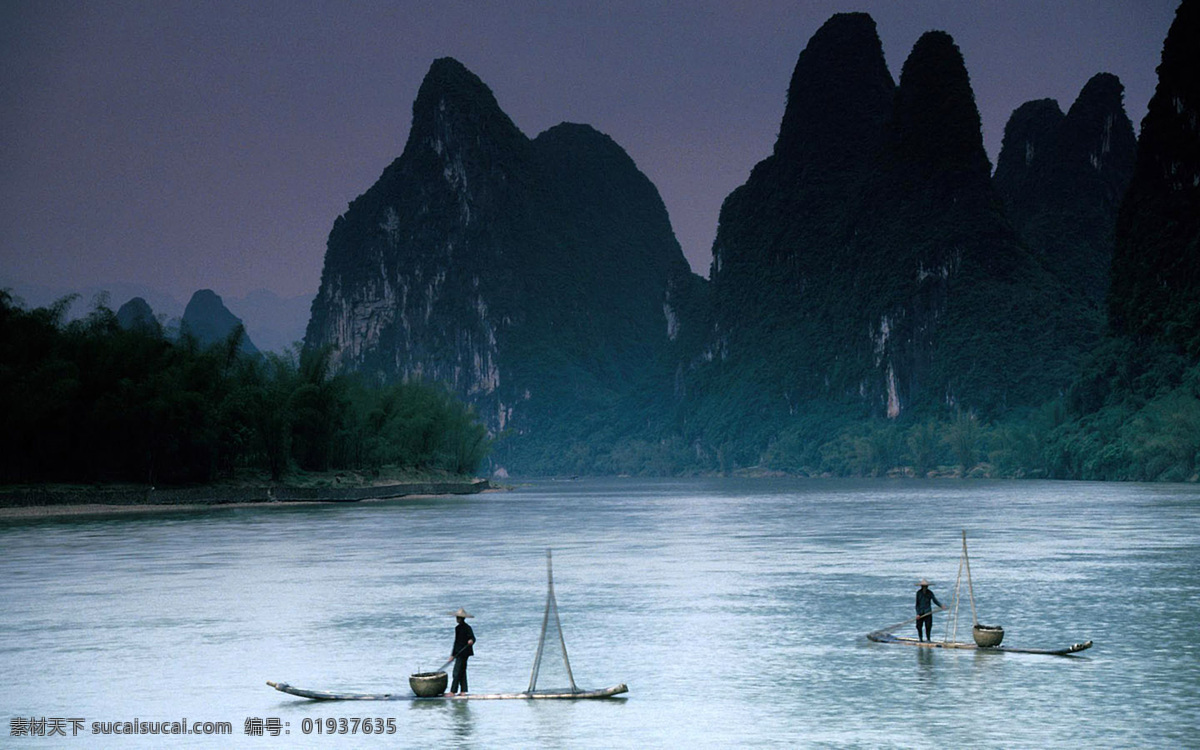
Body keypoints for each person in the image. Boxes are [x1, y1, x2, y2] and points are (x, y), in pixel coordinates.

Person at [448, 607, 475, 696]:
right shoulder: (457, 628)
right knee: (462, 672)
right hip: (458, 652)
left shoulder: (467, 628)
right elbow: (456, 642)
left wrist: (471, 641)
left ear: (462, 619)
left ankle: (453, 691)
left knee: (456, 672)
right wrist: (452, 655)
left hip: (465, 652)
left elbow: (473, 638)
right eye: (457, 618)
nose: (457, 619)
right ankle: (463, 691)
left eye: (458, 618)